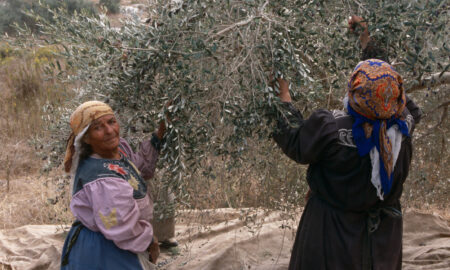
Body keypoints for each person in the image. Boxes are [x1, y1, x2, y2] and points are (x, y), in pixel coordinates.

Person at [271, 16, 422, 270]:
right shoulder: (404, 124)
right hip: (382, 244)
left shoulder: (330, 128)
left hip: (331, 239)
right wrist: (366, 39)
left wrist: (282, 94)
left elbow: (294, 139)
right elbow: (383, 84)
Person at [60, 100, 165, 270]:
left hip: (119, 241)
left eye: (111, 122)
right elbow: (121, 226)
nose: (109, 131)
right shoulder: (102, 178)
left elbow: (140, 167)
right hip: (104, 251)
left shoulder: (118, 150)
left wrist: (161, 132)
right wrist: (149, 239)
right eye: (98, 128)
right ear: (86, 138)